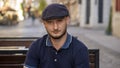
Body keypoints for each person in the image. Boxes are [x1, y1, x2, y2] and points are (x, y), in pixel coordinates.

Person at [24, 3, 89, 68]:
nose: (55, 27)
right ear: (44, 24)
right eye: (50, 22)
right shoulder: (36, 47)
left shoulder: (80, 49)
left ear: (67, 20)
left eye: (59, 21)